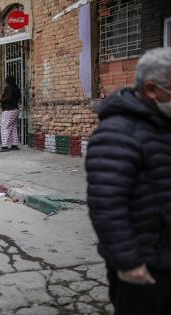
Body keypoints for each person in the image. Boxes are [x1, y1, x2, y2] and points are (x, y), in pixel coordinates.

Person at [85, 48, 171, 314]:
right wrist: (129, 262)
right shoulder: (116, 134)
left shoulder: (163, 122)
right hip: (146, 263)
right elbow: (107, 206)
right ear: (152, 89)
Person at [0, 76, 21, 152]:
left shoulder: (9, 88)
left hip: (8, 110)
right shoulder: (17, 88)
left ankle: (5, 146)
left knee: (4, 127)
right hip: (15, 109)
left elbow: (8, 98)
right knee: (13, 127)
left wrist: (0, 101)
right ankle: (14, 145)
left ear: (7, 81)